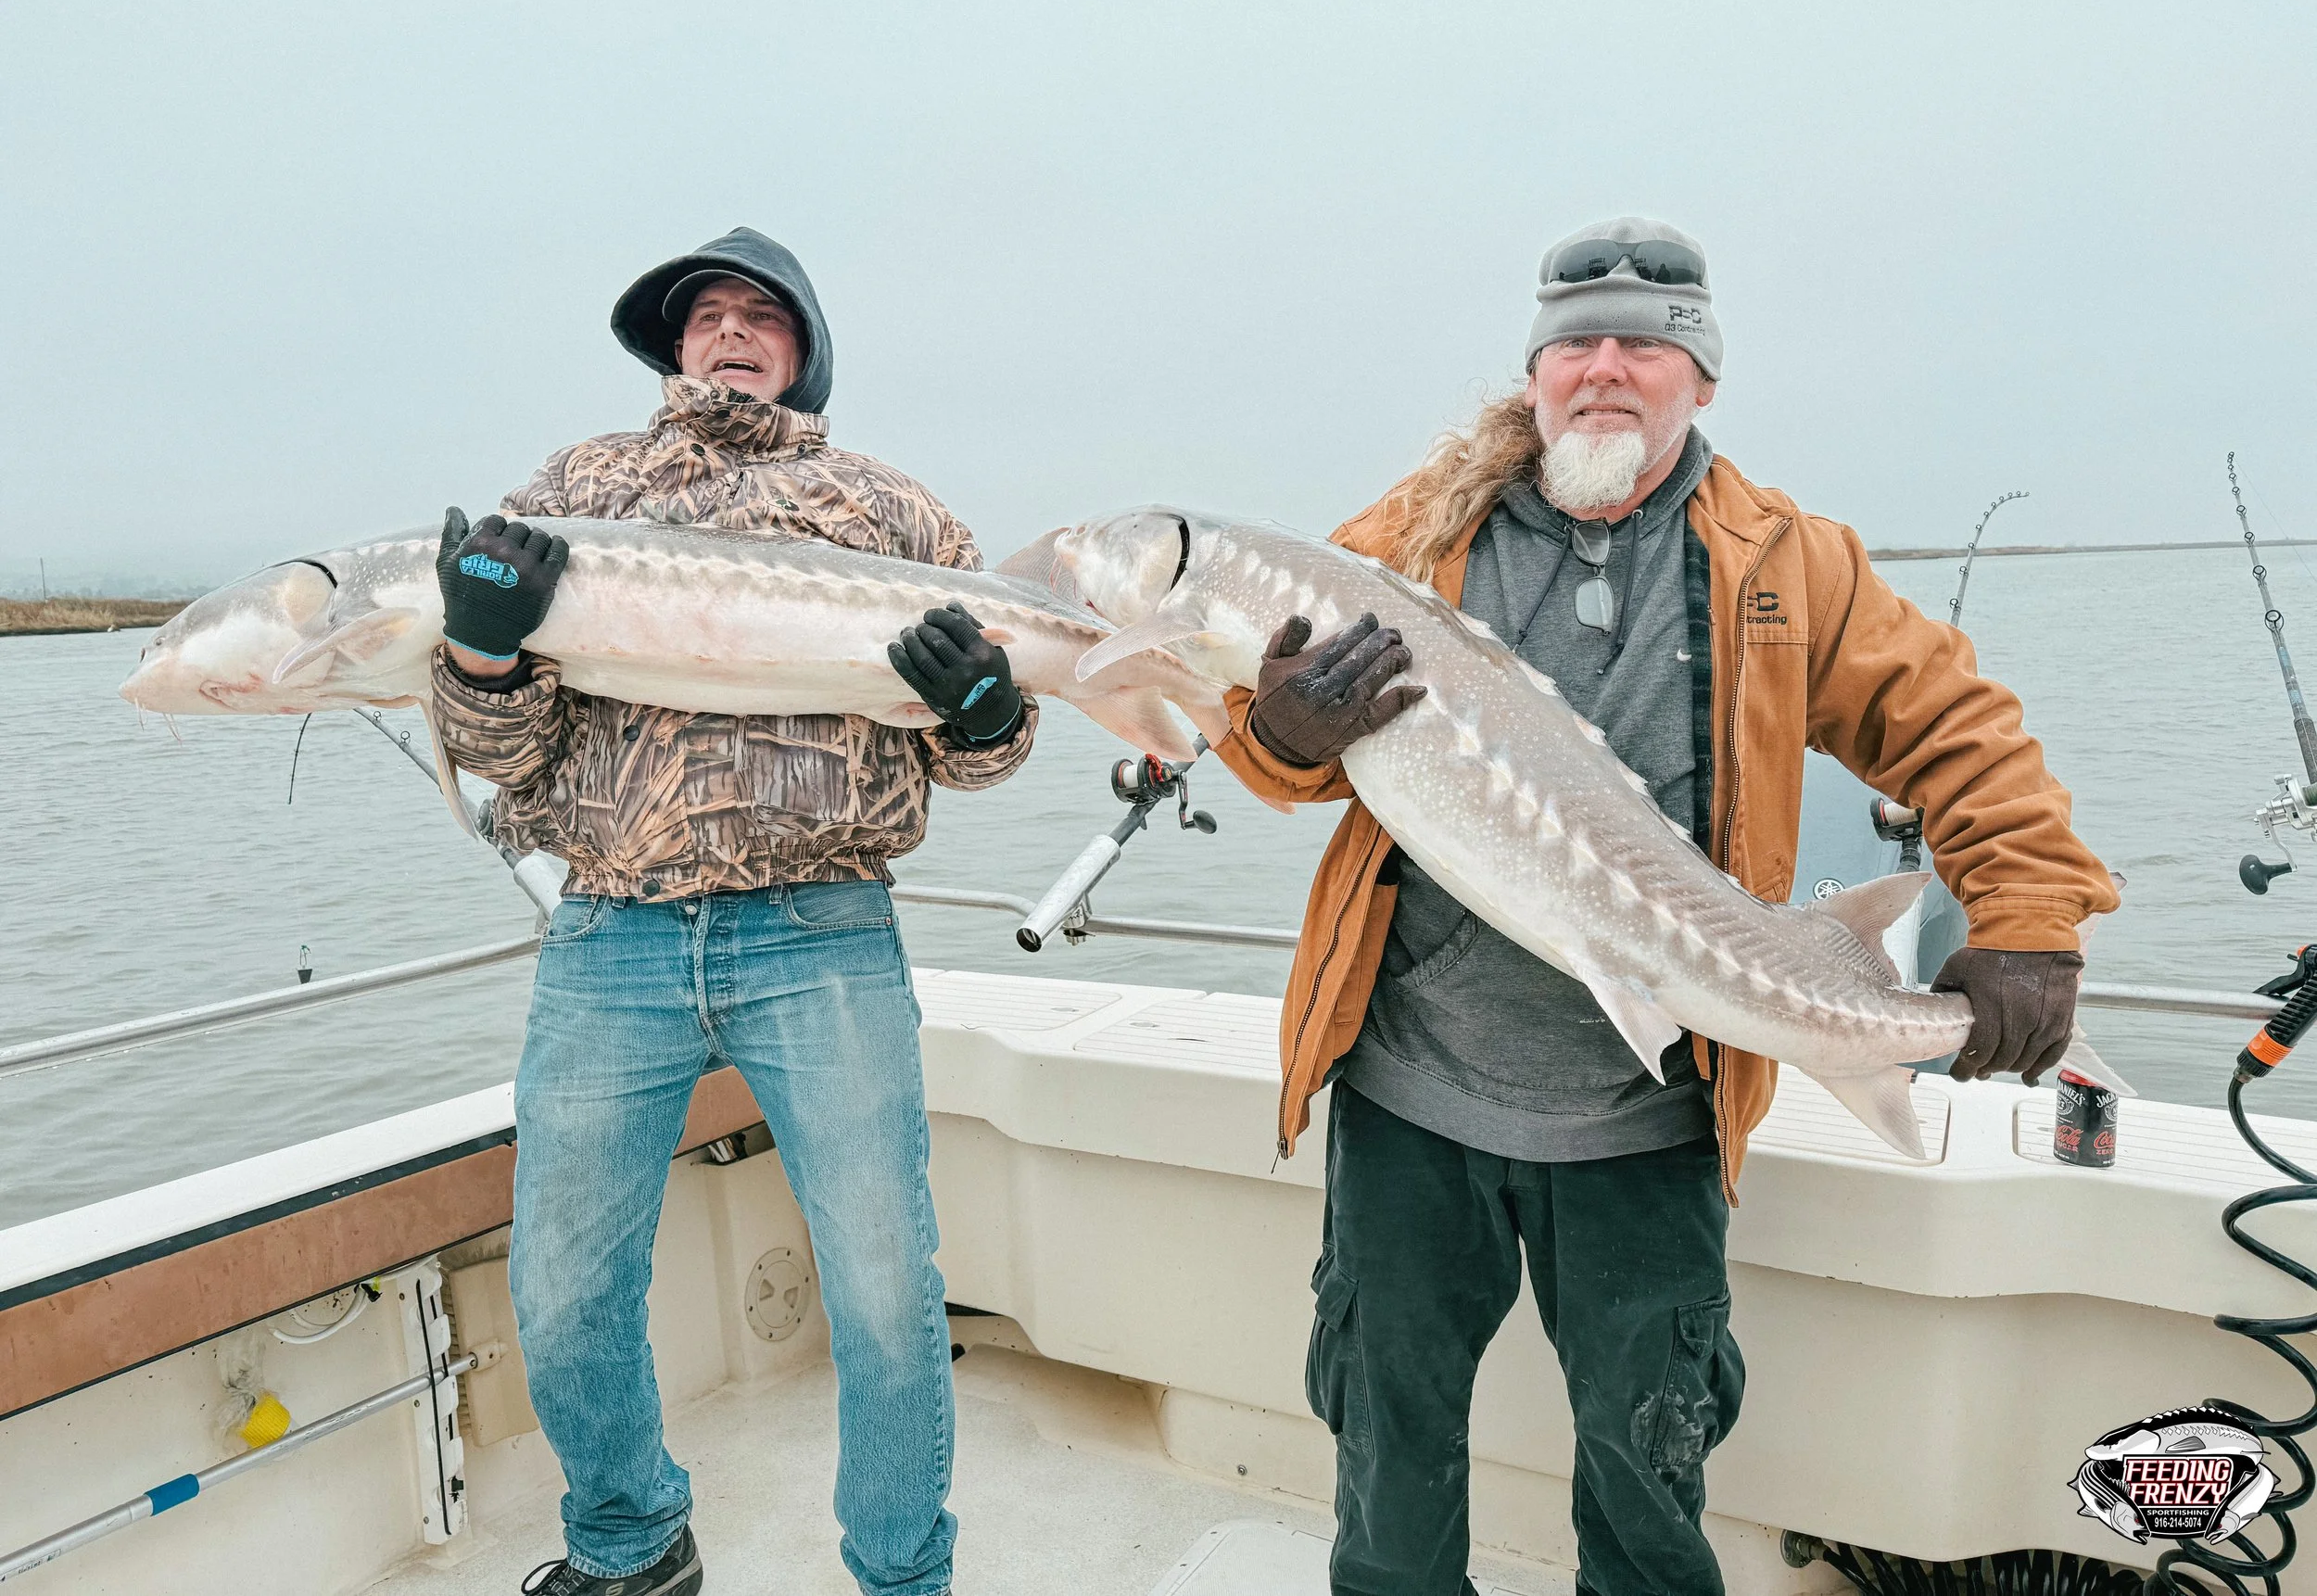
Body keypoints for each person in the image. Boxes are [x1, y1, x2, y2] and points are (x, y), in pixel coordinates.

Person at [1209, 218, 2118, 1596]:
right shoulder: (1412, 534)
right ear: (1533, 375)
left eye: (1647, 342)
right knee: (1387, 1467)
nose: (1607, 368)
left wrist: (2031, 913)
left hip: (1653, 1109)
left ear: (1700, 376)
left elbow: (1956, 727)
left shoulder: (1787, 559)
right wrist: (1277, 731)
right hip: (1410, 1094)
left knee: (1649, 1485)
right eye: (1576, 342)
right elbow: (1264, 740)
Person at [431, 227, 1031, 1596]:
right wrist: (478, 648)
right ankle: (633, 1540)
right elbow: (499, 750)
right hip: (610, 936)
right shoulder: (574, 491)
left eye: (765, 314)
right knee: (566, 1285)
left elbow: (990, 749)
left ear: (806, 349)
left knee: (884, 1291)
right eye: (707, 314)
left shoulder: (897, 512)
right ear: (673, 345)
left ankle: (901, 1572)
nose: (733, 330)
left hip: (821, 930)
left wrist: (986, 708)